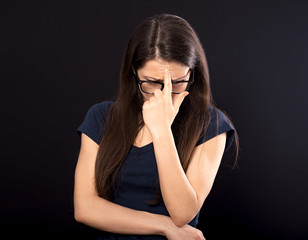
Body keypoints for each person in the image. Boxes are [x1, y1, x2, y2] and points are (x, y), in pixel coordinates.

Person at [74, 13, 239, 240]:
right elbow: (85, 208)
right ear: (134, 72)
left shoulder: (211, 124)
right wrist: (164, 226)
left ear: (193, 73)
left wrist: (162, 131)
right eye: (152, 83)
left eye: (178, 82)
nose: (164, 95)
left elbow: (182, 214)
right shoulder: (102, 116)